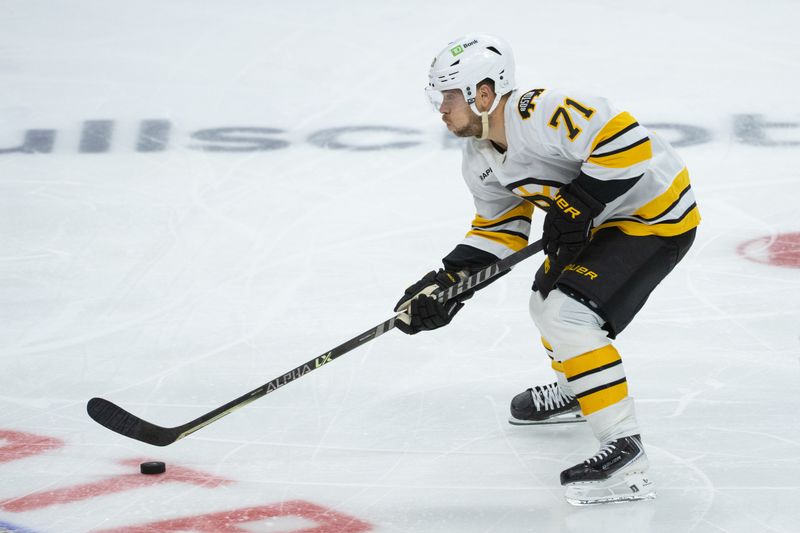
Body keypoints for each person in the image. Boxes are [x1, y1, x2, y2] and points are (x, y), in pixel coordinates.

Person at [393, 33, 699, 505]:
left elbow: (629, 144)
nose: (442, 109)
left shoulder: (541, 112)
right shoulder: (479, 157)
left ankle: (627, 457)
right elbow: (500, 231)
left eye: (449, 96)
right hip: (601, 224)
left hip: (653, 217)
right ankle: (580, 389)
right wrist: (449, 283)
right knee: (543, 302)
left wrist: (578, 204)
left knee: (567, 315)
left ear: (484, 93)